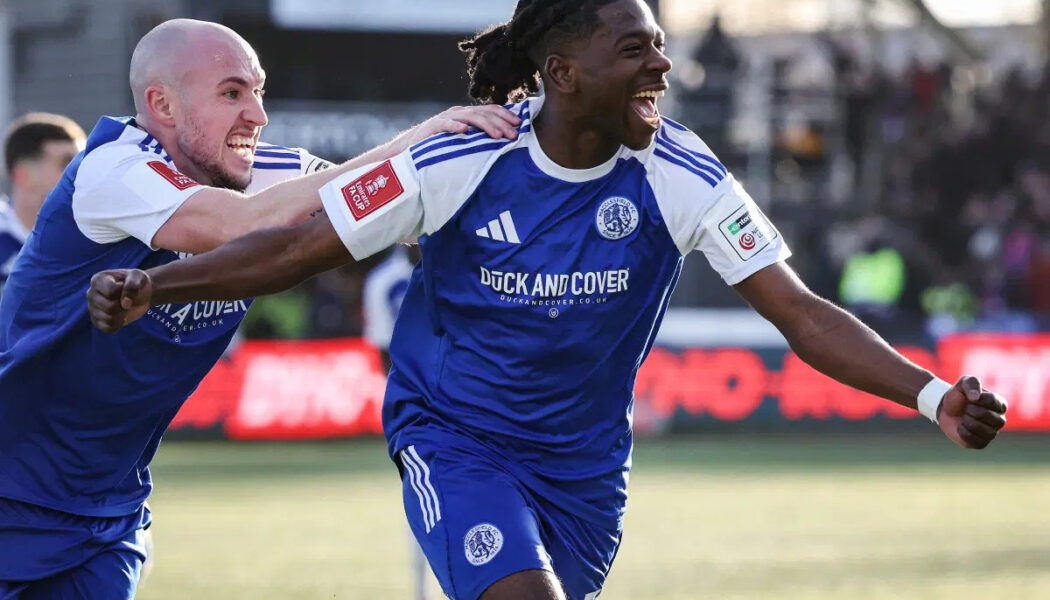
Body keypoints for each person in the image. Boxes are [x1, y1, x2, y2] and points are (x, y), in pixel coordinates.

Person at [86, 3, 1008, 600]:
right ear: (564, 74)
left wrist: (932, 395)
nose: (661, 65)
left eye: (659, 44)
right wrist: (155, 282)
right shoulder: (459, 160)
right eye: (635, 48)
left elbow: (801, 313)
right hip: (454, 436)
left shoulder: (681, 171)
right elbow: (292, 246)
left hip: (584, 472)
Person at [0, 17, 519, 599]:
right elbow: (240, 226)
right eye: (231, 93)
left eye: (259, 90)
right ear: (162, 105)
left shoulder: (273, 173)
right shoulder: (110, 170)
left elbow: (404, 216)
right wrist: (410, 145)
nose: (258, 114)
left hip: (106, 511)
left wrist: (526, 178)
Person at [0, 112, 85, 289]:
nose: (79, 174)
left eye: (81, 164)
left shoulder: (93, 241)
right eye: (66, 164)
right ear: (22, 175)